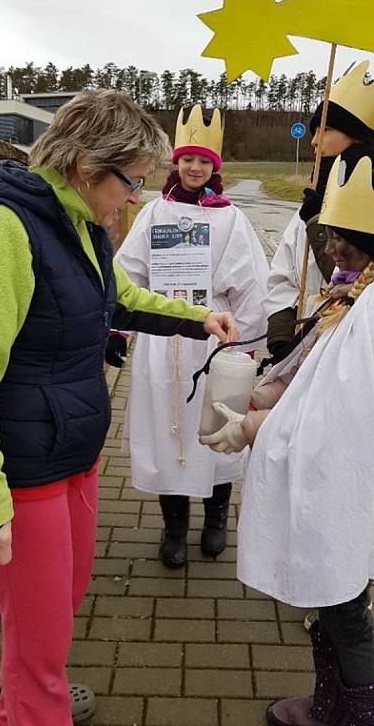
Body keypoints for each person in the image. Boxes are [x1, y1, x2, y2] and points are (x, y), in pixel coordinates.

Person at [0, 90, 238, 726]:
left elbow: (120, 299)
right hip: (24, 474)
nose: (135, 198)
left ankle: (22, 699)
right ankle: (33, 703)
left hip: (73, 453)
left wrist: (199, 317)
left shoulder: (80, 226)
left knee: (59, 606)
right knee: (38, 639)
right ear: (84, 166)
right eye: (131, 182)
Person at [201, 155, 374, 726]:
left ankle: (362, 717)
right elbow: (319, 374)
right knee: (329, 598)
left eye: (342, 241)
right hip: (348, 471)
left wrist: (251, 427)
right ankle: (330, 704)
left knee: (344, 604)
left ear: (373, 242)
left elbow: (335, 414)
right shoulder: (369, 290)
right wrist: (266, 393)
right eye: (330, 236)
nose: (330, 249)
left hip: (347, 475)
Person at [116, 104, 268, 568]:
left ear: (215, 166)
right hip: (163, 339)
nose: (195, 168)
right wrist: (119, 327)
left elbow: (251, 284)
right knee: (168, 430)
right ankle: (174, 528)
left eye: (204, 161)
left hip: (213, 335)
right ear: (175, 162)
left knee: (217, 422)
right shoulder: (155, 212)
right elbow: (127, 274)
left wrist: (244, 346)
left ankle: (217, 518)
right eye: (188, 159)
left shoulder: (231, 218)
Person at [265, 61, 374, 366]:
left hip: (360, 352)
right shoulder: (312, 202)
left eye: (325, 129)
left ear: (354, 135)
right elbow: (284, 273)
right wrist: (282, 336)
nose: (313, 141)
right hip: (303, 348)